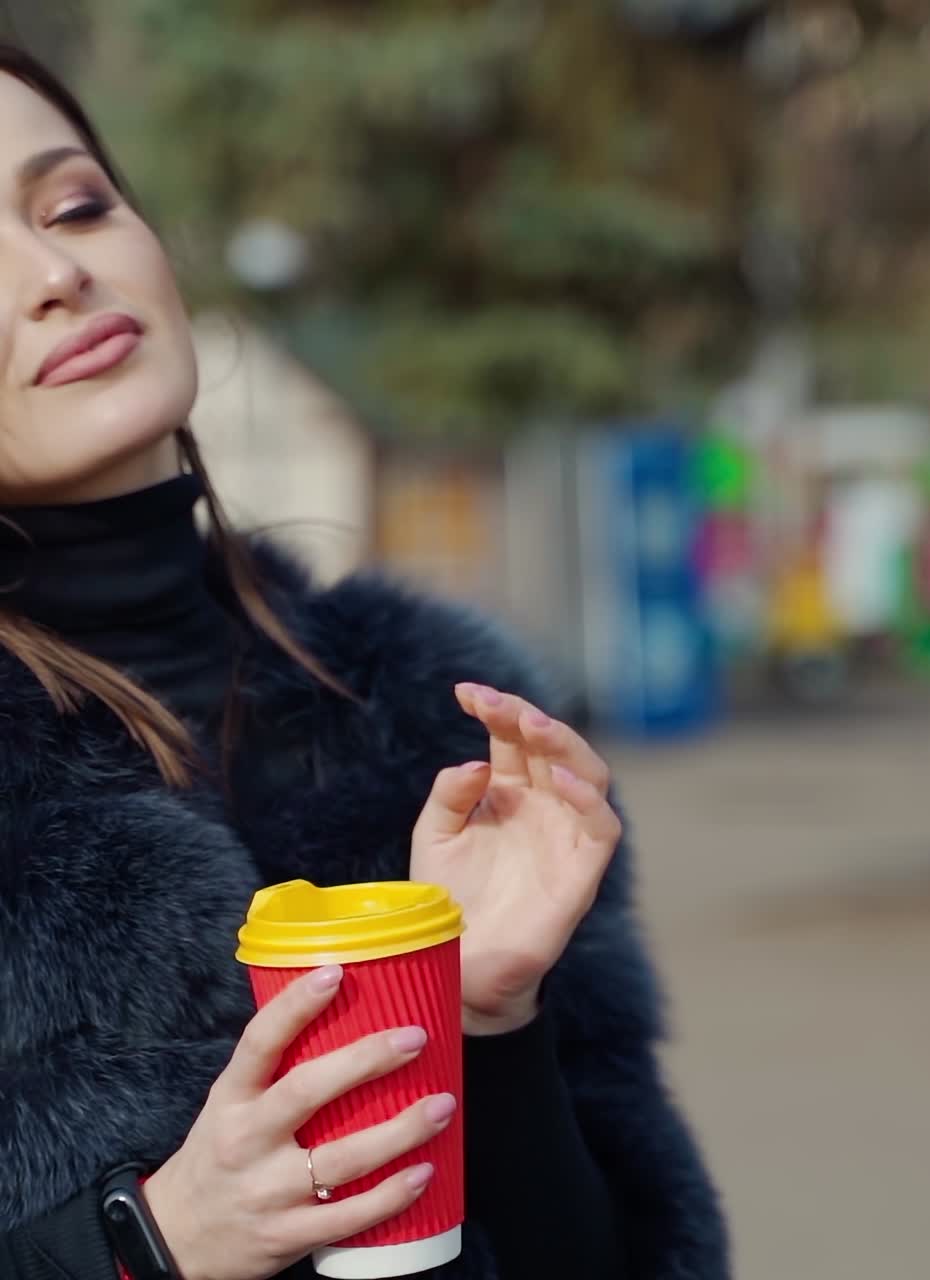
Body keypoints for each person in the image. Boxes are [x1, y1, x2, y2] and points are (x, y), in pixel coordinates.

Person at [0, 44, 728, 1280]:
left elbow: (618, 1252)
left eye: (77, 205)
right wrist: (142, 1243)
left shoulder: (430, 711)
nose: (60, 271)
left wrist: (487, 1015)